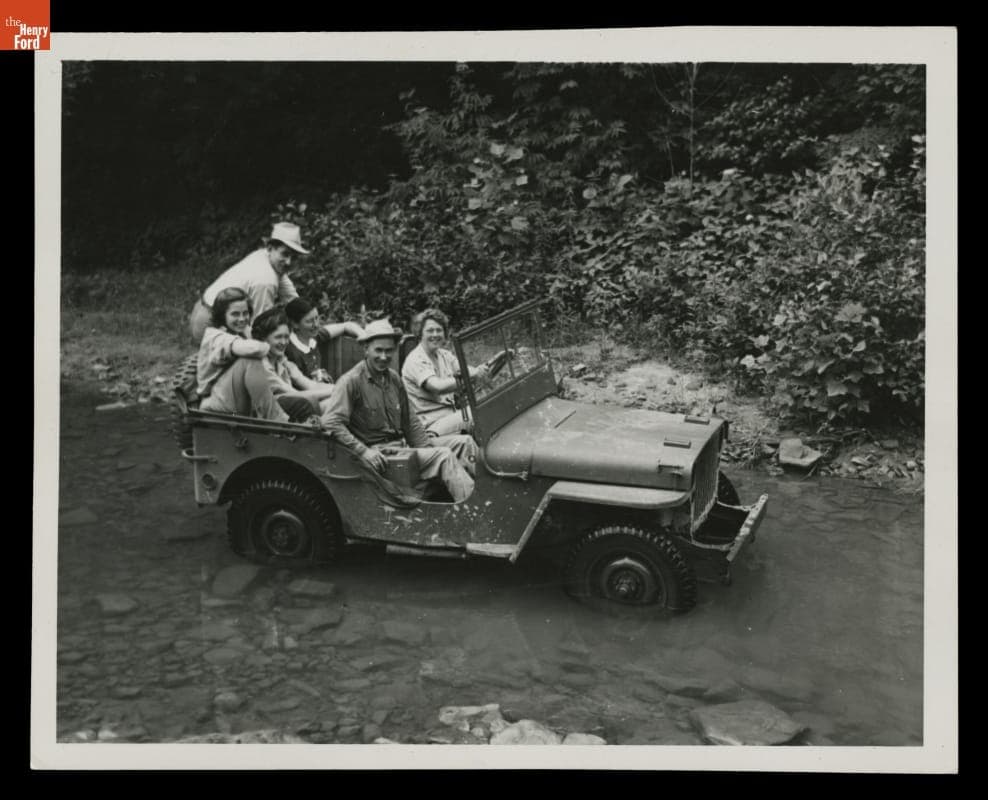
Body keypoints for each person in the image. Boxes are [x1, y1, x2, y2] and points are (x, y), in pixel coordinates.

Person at [321, 319, 478, 503]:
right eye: (378, 350)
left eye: (388, 350)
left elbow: (409, 421)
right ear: (366, 349)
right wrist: (363, 451)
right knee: (443, 457)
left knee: (464, 442)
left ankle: (489, 493)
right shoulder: (351, 381)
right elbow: (330, 421)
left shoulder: (393, 379)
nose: (384, 356)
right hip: (382, 456)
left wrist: (426, 449)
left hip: (403, 448)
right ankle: (478, 512)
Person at [199, 308, 330, 423]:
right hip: (255, 419)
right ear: (263, 340)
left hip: (284, 410)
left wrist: (340, 388)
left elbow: (308, 384)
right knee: (316, 404)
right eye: (278, 337)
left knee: (331, 404)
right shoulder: (261, 366)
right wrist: (336, 392)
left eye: (286, 337)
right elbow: (294, 394)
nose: (284, 342)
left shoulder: (283, 362)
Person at [188, 221, 308, 342]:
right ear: (270, 248)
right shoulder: (266, 280)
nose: (289, 262)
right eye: (285, 254)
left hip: (207, 311)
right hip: (211, 321)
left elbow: (293, 301)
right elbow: (261, 327)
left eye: (294, 257)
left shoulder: (267, 257)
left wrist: (308, 322)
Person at [401, 308, 489, 438]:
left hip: (450, 416)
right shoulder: (415, 359)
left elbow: (467, 370)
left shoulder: (444, 355)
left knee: (487, 406)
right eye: (430, 330)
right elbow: (437, 387)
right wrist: (470, 375)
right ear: (420, 333)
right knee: (477, 413)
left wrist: (483, 370)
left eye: (439, 330)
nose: (435, 334)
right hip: (429, 425)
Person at [284, 297, 364, 382]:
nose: (316, 324)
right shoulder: (290, 351)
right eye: (309, 321)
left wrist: (365, 336)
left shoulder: (314, 337)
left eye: (316, 318)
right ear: (295, 324)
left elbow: (346, 326)